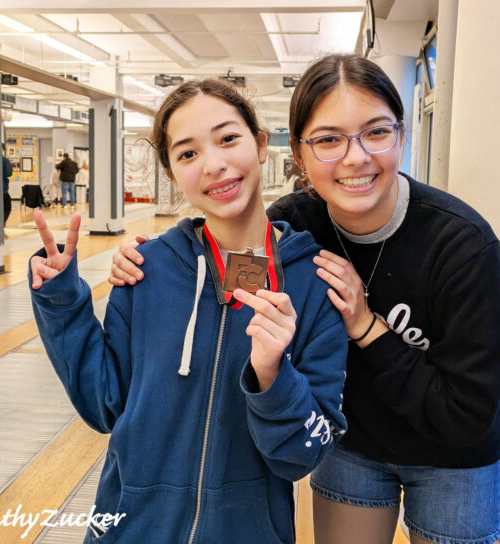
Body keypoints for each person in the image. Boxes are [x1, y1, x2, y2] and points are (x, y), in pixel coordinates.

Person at [108, 54, 500, 544]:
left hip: (454, 457)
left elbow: (468, 414)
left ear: (402, 136)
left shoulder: (460, 245)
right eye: (327, 140)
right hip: (351, 447)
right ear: (297, 155)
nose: (355, 158)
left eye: (377, 132)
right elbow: (225, 285)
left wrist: (366, 327)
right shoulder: (292, 231)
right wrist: (150, 259)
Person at [28, 78, 347, 543]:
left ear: (260, 144)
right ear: (172, 172)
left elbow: (299, 456)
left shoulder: (314, 284)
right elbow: (105, 406)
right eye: (188, 153)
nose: (213, 165)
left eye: (227, 139)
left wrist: (272, 374)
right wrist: (61, 298)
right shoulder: (145, 269)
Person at [1, 144, 13, 228]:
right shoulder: (4, 160)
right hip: (3, 188)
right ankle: (2, 224)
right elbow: (9, 173)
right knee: (7, 208)